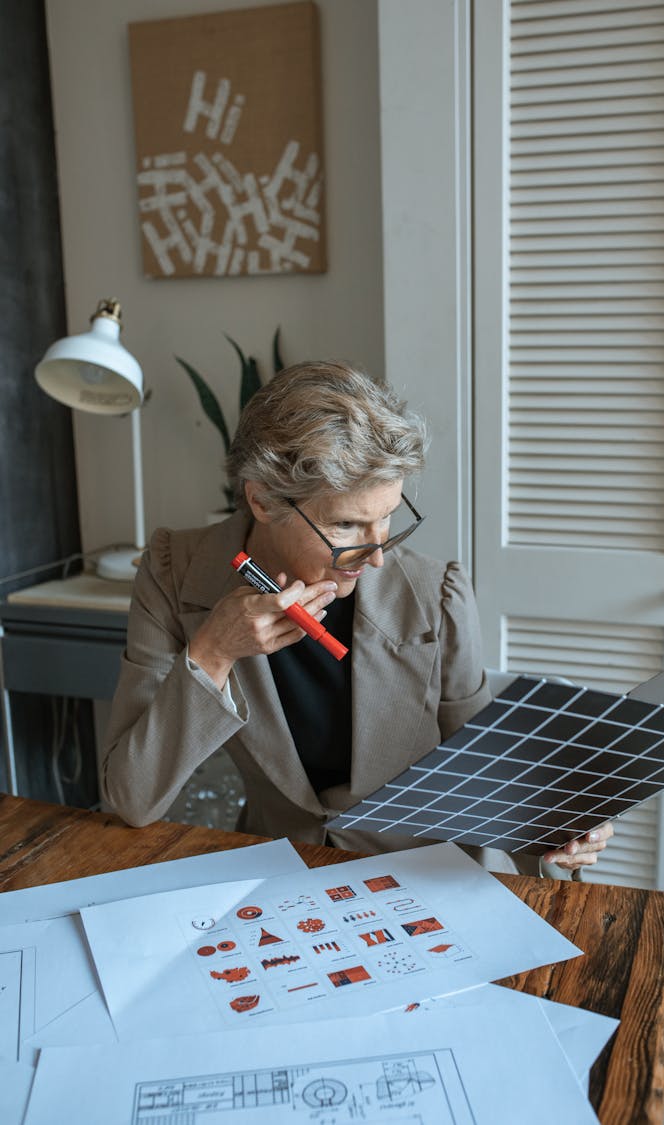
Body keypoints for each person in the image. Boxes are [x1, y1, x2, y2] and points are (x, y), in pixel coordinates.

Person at [101, 361, 612, 876]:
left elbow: (482, 780)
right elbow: (132, 799)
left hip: (425, 879)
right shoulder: (173, 572)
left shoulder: (438, 595)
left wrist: (556, 828)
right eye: (345, 524)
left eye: (386, 517)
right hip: (276, 876)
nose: (376, 557)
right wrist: (212, 653)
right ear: (261, 500)